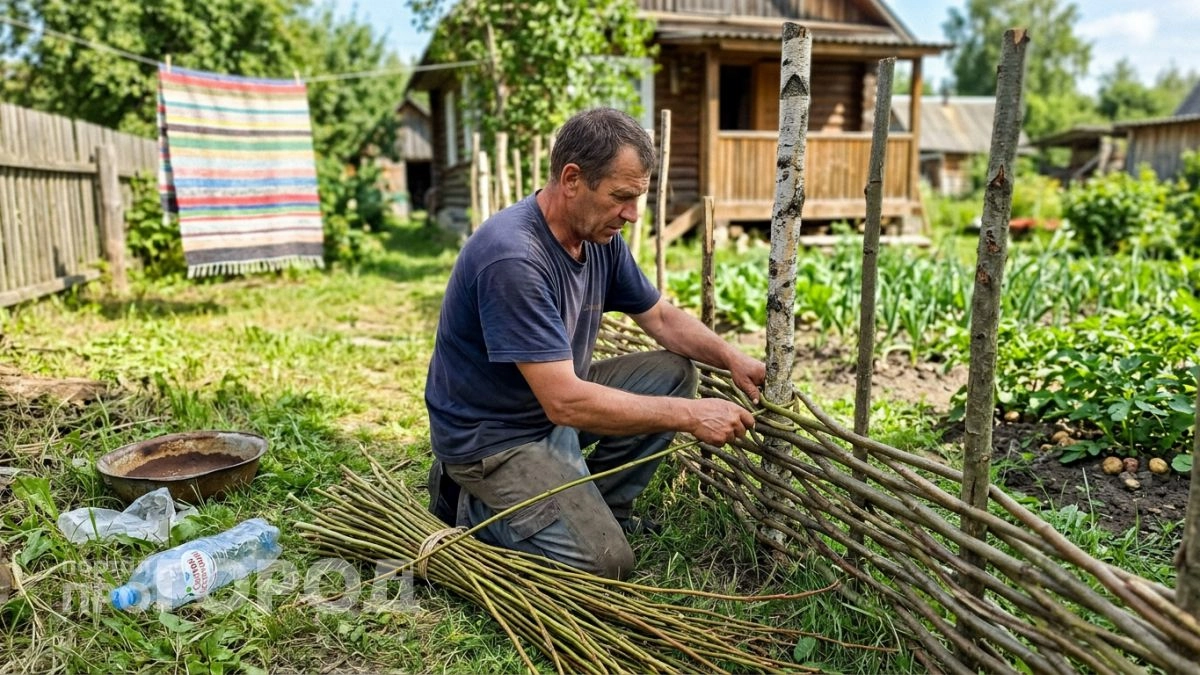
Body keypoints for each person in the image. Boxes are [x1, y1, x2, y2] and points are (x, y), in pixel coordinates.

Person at [424, 107, 765, 580]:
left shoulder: (599, 237)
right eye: (621, 197)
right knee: (606, 564)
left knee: (673, 374)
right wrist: (692, 415)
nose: (631, 214)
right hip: (494, 438)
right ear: (571, 179)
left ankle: (601, 510)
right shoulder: (513, 257)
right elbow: (564, 401)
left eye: (638, 198)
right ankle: (473, 510)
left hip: (544, 408)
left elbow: (662, 318)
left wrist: (732, 358)